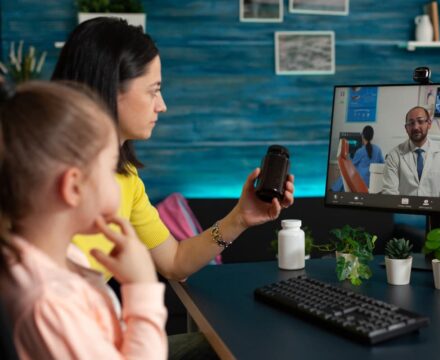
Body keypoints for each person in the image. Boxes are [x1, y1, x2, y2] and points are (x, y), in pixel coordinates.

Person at [52, 17, 295, 282]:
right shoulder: (42, 175)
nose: (162, 105)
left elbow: (175, 261)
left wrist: (241, 217)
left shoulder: (127, 178)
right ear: (110, 89)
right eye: (153, 91)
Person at [0, 81, 167, 359]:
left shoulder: (62, 258)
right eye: (111, 167)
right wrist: (142, 286)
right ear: (74, 187)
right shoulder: (50, 304)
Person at [382, 106, 440, 198]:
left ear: (429, 124)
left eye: (420, 121)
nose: (416, 127)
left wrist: (438, 211)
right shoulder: (394, 155)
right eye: (411, 123)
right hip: (403, 210)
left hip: (434, 210)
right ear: (406, 128)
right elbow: (390, 193)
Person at [331, 125, 384, 192]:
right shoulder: (378, 149)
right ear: (372, 137)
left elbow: (351, 165)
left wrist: (348, 158)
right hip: (372, 183)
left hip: (360, 182)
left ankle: (334, 189)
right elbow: (382, 165)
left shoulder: (360, 151)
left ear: (362, 136)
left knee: (345, 176)